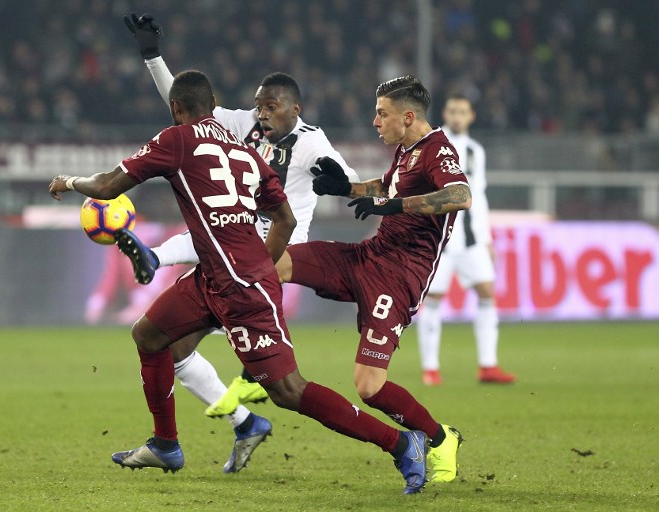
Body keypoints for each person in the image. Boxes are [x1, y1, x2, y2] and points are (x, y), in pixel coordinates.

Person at [48, 70, 430, 494]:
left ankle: (400, 443)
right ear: (215, 107)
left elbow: (105, 186)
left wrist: (68, 182)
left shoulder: (176, 139)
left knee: (289, 391)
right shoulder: (245, 152)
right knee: (151, 336)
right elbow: (282, 217)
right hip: (217, 275)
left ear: (177, 110)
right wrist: (262, 263)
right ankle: (166, 443)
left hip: (243, 287)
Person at [122, 13, 359, 426]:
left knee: (285, 386)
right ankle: (246, 420)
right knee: (173, 349)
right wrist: (152, 57)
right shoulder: (242, 125)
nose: (262, 114)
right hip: (235, 246)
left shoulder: (310, 141)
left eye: (271, 107)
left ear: (294, 110)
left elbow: (344, 173)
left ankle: (157, 259)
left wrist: (340, 180)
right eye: (258, 106)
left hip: (274, 256)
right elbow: (186, 108)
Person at [275, 75, 470, 484]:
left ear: (408, 116)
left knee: (368, 386)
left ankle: (439, 438)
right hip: (367, 256)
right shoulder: (405, 150)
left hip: (399, 278)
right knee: (275, 263)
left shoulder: (438, 151)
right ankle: (257, 356)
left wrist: (395, 205)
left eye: (382, 113)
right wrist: (343, 188)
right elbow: (386, 187)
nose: (375, 121)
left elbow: (459, 196)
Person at [416, 94, 515, 385]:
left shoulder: (475, 151)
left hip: (471, 240)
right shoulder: (431, 146)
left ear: (471, 116)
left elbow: (479, 197)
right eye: (452, 111)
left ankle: (488, 365)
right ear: (445, 114)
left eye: (462, 111)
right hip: (440, 242)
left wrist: (485, 239)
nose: (457, 116)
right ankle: (430, 368)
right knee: (433, 300)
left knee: (487, 294)